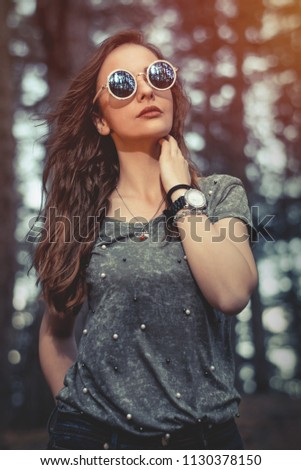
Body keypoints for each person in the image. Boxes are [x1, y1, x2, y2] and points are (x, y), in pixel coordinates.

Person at [34, 29, 258, 450]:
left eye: (157, 76)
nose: (146, 92)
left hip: (206, 442)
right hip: (93, 441)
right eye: (123, 84)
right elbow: (55, 332)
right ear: (100, 119)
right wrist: (75, 415)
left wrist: (179, 195)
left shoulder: (220, 194)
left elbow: (230, 293)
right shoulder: (81, 216)